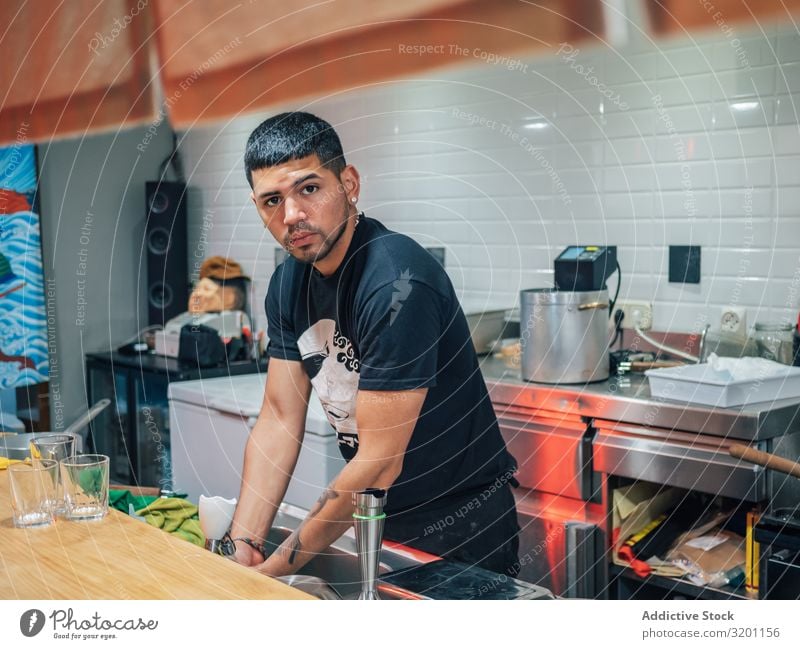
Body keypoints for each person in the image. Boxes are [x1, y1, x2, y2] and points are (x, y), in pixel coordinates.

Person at [228, 111, 520, 578]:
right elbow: (280, 419)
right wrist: (241, 545)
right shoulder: (287, 284)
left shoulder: (396, 283)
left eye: (309, 188)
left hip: (463, 531)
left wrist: (275, 571)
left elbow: (378, 465)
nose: (292, 215)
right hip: (377, 521)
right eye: (271, 201)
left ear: (349, 183)